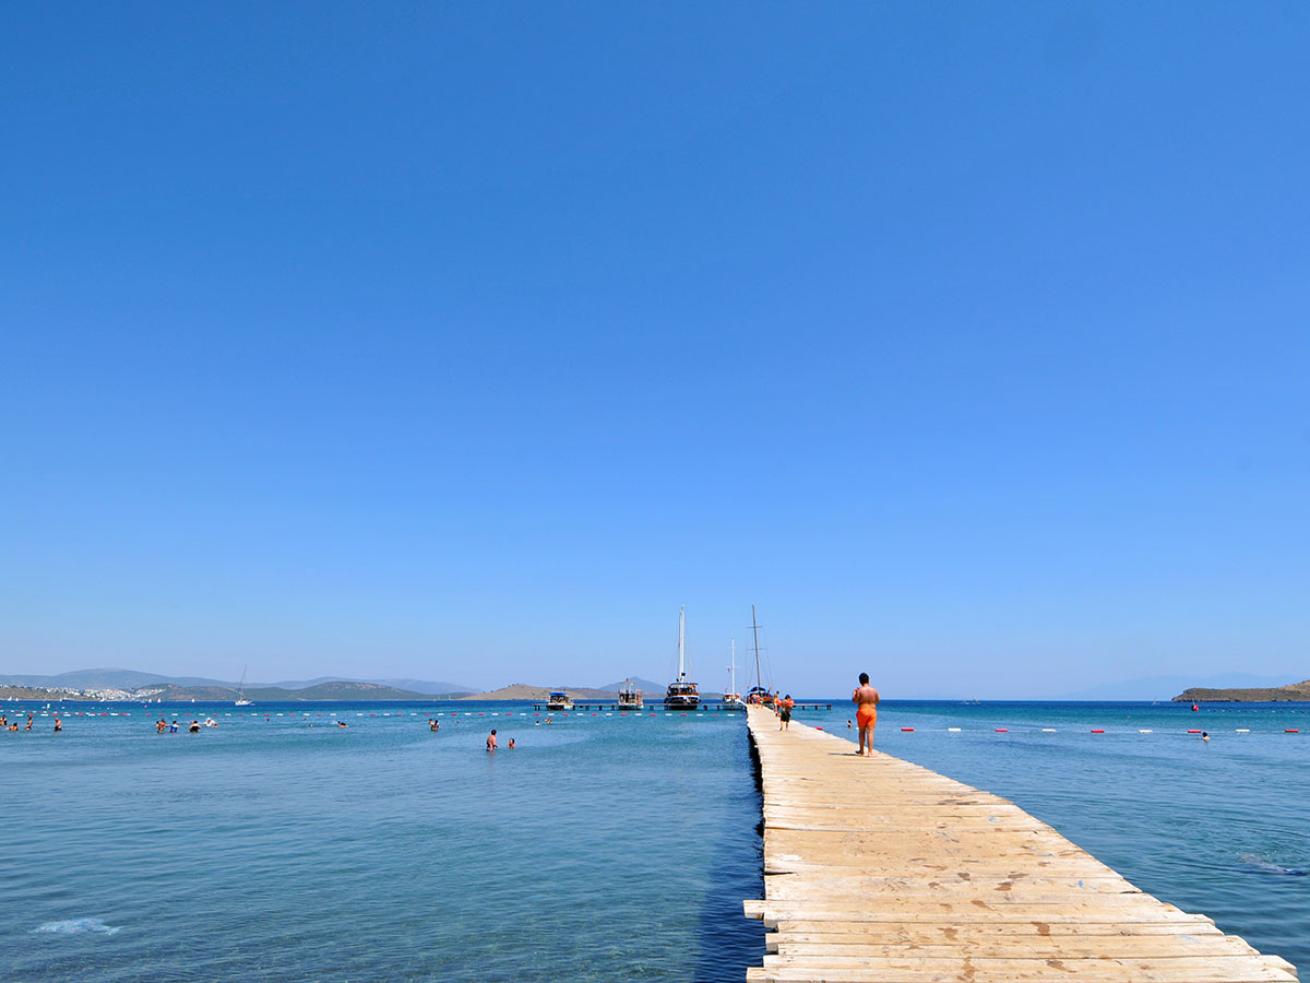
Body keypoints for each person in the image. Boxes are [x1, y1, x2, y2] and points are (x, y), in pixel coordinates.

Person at [852, 672, 880, 756]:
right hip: (872, 711)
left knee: (862, 731)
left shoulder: (859, 690)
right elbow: (878, 701)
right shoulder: (874, 690)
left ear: (860, 681)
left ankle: (861, 751)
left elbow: (855, 701)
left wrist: (855, 694)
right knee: (871, 732)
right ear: (868, 680)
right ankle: (870, 752)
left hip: (863, 710)